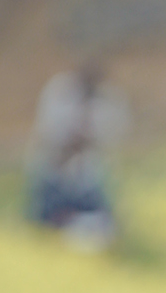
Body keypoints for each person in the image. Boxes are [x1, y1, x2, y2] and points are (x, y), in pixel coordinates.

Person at [26, 61, 128, 244]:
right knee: (45, 226)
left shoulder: (106, 102)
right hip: (53, 174)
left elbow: (111, 135)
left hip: (86, 177)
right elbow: (48, 132)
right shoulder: (59, 93)